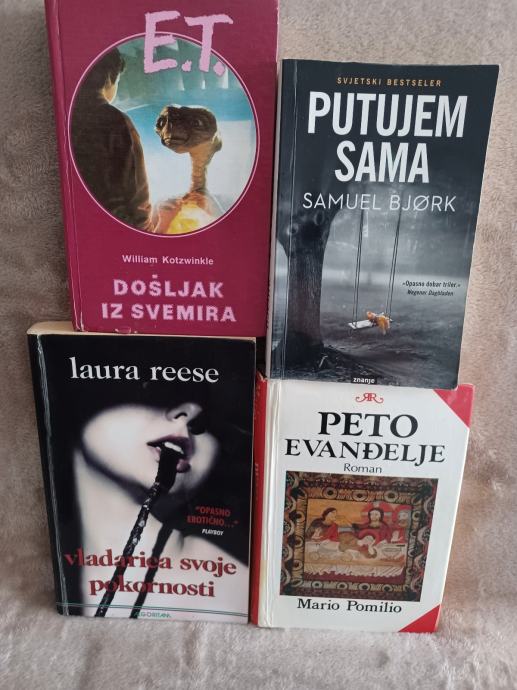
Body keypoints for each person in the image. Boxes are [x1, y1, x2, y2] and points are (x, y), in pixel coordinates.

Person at [73, 401, 249, 620]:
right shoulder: (46, 570)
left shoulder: (237, 598)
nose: (192, 411)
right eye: (155, 389)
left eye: (216, 414)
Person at [71, 49, 153, 231]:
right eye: (119, 81)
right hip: (116, 228)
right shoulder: (116, 121)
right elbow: (138, 202)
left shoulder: (68, 117)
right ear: (109, 77)